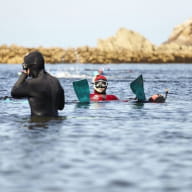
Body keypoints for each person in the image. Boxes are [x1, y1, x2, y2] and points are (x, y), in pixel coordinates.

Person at [11, 51, 65, 116]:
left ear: (30, 66)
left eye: (25, 66)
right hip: (55, 124)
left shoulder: (32, 83)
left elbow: (14, 92)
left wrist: (24, 73)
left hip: (38, 124)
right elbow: (61, 107)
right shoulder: (55, 81)